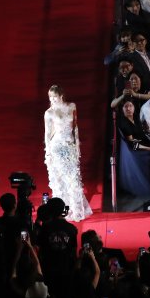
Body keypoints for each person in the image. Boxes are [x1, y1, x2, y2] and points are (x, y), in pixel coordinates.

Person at [44, 85, 92, 222]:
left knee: (73, 179)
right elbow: (47, 134)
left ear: (61, 96)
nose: (52, 100)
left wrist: (77, 146)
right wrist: (48, 153)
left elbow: (75, 127)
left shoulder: (72, 106)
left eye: (55, 97)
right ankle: (63, 211)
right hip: (57, 147)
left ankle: (77, 211)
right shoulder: (49, 113)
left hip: (70, 146)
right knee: (61, 180)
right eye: (50, 97)